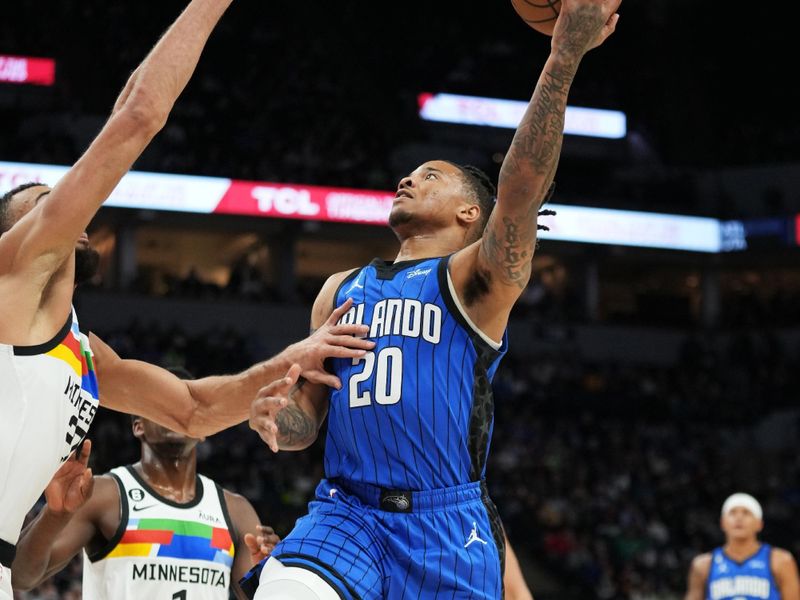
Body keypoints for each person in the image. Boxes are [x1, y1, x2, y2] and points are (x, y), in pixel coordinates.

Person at [245, 1, 621, 598]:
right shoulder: (339, 289)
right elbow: (305, 418)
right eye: (409, 174)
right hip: (348, 514)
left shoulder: (477, 279)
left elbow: (520, 192)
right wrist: (276, 420)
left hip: (448, 523)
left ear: (471, 211)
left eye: (430, 175)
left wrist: (563, 57)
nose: (408, 179)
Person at [0, 0, 373, 595]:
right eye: (42, 203)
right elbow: (137, 116)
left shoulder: (82, 351)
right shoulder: (9, 279)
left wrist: (298, 356)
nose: (64, 203)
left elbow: (193, 410)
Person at [11, 367, 280, 600]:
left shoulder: (235, 510)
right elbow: (21, 577)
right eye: (162, 401)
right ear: (138, 425)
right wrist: (54, 515)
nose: (176, 410)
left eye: (186, 405)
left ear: (204, 430)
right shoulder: (105, 496)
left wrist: (270, 570)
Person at [685, 493, 800, 600]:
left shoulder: (780, 560)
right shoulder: (703, 565)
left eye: (746, 513)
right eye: (732, 513)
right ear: (722, 522)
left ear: (759, 524)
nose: (739, 518)